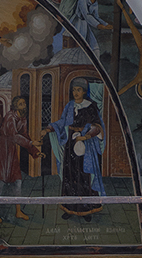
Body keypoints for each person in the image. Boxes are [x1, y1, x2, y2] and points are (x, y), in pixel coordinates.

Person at [44, 79, 105, 221]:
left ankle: (87, 209)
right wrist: (49, 128)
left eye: (79, 90)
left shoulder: (90, 107)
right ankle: (70, 208)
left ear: (84, 91)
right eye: (74, 90)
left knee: (84, 176)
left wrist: (86, 136)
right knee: (69, 176)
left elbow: (97, 126)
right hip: (70, 145)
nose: (76, 93)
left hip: (86, 146)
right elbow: (62, 122)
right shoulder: (70, 106)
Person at [0, 95, 40, 223]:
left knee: (17, 181)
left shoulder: (23, 118)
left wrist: (35, 151)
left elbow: (24, 135)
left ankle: (18, 211)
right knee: (0, 182)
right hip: (1, 150)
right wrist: (31, 143)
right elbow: (14, 136)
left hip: (11, 152)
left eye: (24, 103)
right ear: (15, 106)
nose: (24, 106)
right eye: (21, 104)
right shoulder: (10, 117)